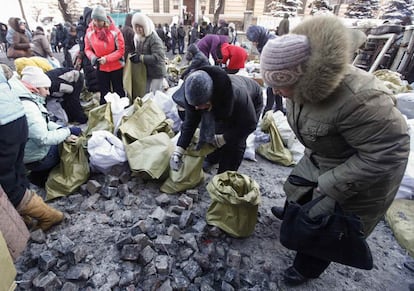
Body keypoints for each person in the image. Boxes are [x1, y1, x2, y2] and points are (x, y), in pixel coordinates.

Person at [259, 15, 410, 285]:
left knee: (324, 226)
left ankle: (305, 268)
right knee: (298, 191)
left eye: (281, 86)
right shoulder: (298, 86)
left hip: (358, 174)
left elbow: (389, 152)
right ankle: (295, 217)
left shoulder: (360, 99)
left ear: (302, 78)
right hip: (323, 154)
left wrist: (331, 185)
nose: (278, 93)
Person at [0, 64, 64, 231]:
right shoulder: (25, 100)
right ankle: (24, 215)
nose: (48, 93)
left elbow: (43, 137)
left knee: (6, 180)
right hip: (14, 117)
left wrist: (66, 131)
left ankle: (47, 215)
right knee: (16, 169)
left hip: (4, 123)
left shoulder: (28, 98)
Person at [169, 67, 263, 174]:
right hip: (221, 102)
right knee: (217, 130)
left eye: (199, 105)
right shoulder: (192, 93)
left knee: (235, 141)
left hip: (251, 99)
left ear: (211, 98)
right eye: (194, 105)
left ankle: (226, 173)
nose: (196, 109)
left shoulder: (238, 95)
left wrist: (224, 138)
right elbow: (190, 123)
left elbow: (249, 125)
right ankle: (212, 158)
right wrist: (179, 150)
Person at [19, 66, 82, 187]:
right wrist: (68, 131)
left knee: (62, 133)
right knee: (67, 147)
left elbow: (45, 123)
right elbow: (44, 138)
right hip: (33, 158)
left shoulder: (27, 99)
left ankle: (38, 173)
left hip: (25, 154)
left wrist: (61, 130)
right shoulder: (29, 107)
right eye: (46, 88)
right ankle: (41, 174)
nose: (48, 92)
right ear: (35, 88)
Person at [84, 5, 125, 104]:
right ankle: (105, 113)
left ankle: (121, 111)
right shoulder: (89, 32)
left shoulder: (114, 31)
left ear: (104, 20)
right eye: (94, 20)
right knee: (104, 93)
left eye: (99, 20)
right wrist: (93, 57)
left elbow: (121, 50)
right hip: (101, 67)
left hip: (116, 66)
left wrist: (107, 59)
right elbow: (87, 49)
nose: (96, 23)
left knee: (118, 90)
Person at [246, 25, 284, 116]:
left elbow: (275, 58)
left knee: (272, 89)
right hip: (273, 67)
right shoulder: (263, 41)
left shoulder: (271, 42)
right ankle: (279, 108)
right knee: (276, 89)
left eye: (254, 41)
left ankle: (268, 111)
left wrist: (269, 72)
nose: (254, 43)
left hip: (277, 67)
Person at [129, 12, 167, 94]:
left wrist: (140, 58)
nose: (138, 29)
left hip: (157, 72)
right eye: (136, 27)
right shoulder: (139, 38)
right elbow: (140, 52)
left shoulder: (154, 39)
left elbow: (158, 57)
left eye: (140, 27)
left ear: (145, 26)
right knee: (146, 94)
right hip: (147, 72)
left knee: (155, 95)